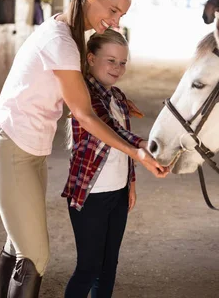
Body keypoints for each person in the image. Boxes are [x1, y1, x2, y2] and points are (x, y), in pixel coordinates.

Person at [0, 0, 168, 298]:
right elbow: (84, 113)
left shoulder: (65, 33)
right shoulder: (62, 41)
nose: (115, 20)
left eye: (121, 15)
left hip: (30, 153)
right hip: (12, 149)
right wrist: (136, 151)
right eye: (112, 10)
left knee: (17, 244)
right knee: (35, 255)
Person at [63, 30, 141, 297]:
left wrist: (130, 183)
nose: (117, 68)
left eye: (122, 62)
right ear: (91, 58)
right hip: (90, 195)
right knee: (88, 267)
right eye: (111, 61)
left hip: (117, 193)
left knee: (108, 267)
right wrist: (144, 145)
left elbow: (123, 151)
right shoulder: (84, 96)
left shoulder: (118, 97)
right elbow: (115, 133)